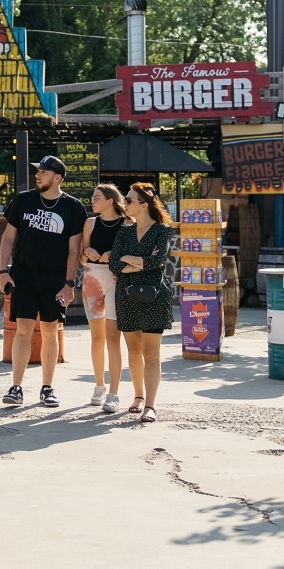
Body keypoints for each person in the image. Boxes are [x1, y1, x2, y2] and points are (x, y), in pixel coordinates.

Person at [0, 156, 87, 408]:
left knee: (50, 331)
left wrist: (70, 284)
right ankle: (16, 387)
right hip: (24, 276)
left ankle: (47, 387)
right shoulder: (23, 201)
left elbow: (73, 250)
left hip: (55, 281)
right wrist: (3, 271)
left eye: (44, 172)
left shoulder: (73, 207)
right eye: (38, 171)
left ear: (57, 177)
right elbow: (8, 238)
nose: (38, 175)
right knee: (22, 330)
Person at [112, 182, 177, 424]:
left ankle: (150, 404)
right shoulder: (124, 231)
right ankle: (137, 396)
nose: (124, 204)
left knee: (151, 353)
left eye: (128, 200)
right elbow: (114, 265)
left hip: (154, 295)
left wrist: (129, 260)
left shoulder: (162, 230)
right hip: (126, 295)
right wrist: (139, 260)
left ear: (143, 204)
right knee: (133, 350)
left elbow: (158, 261)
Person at [80, 184, 130, 412]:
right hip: (91, 277)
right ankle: (99, 385)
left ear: (110, 200)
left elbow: (132, 254)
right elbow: (81, 257)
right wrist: (86, 253)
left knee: (113, 338)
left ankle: (114, 393)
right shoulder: (90, 223)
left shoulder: (127, 224)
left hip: (115, 279)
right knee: (96, 337)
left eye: (97, 197)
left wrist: (114, 255)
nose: (92, 200)